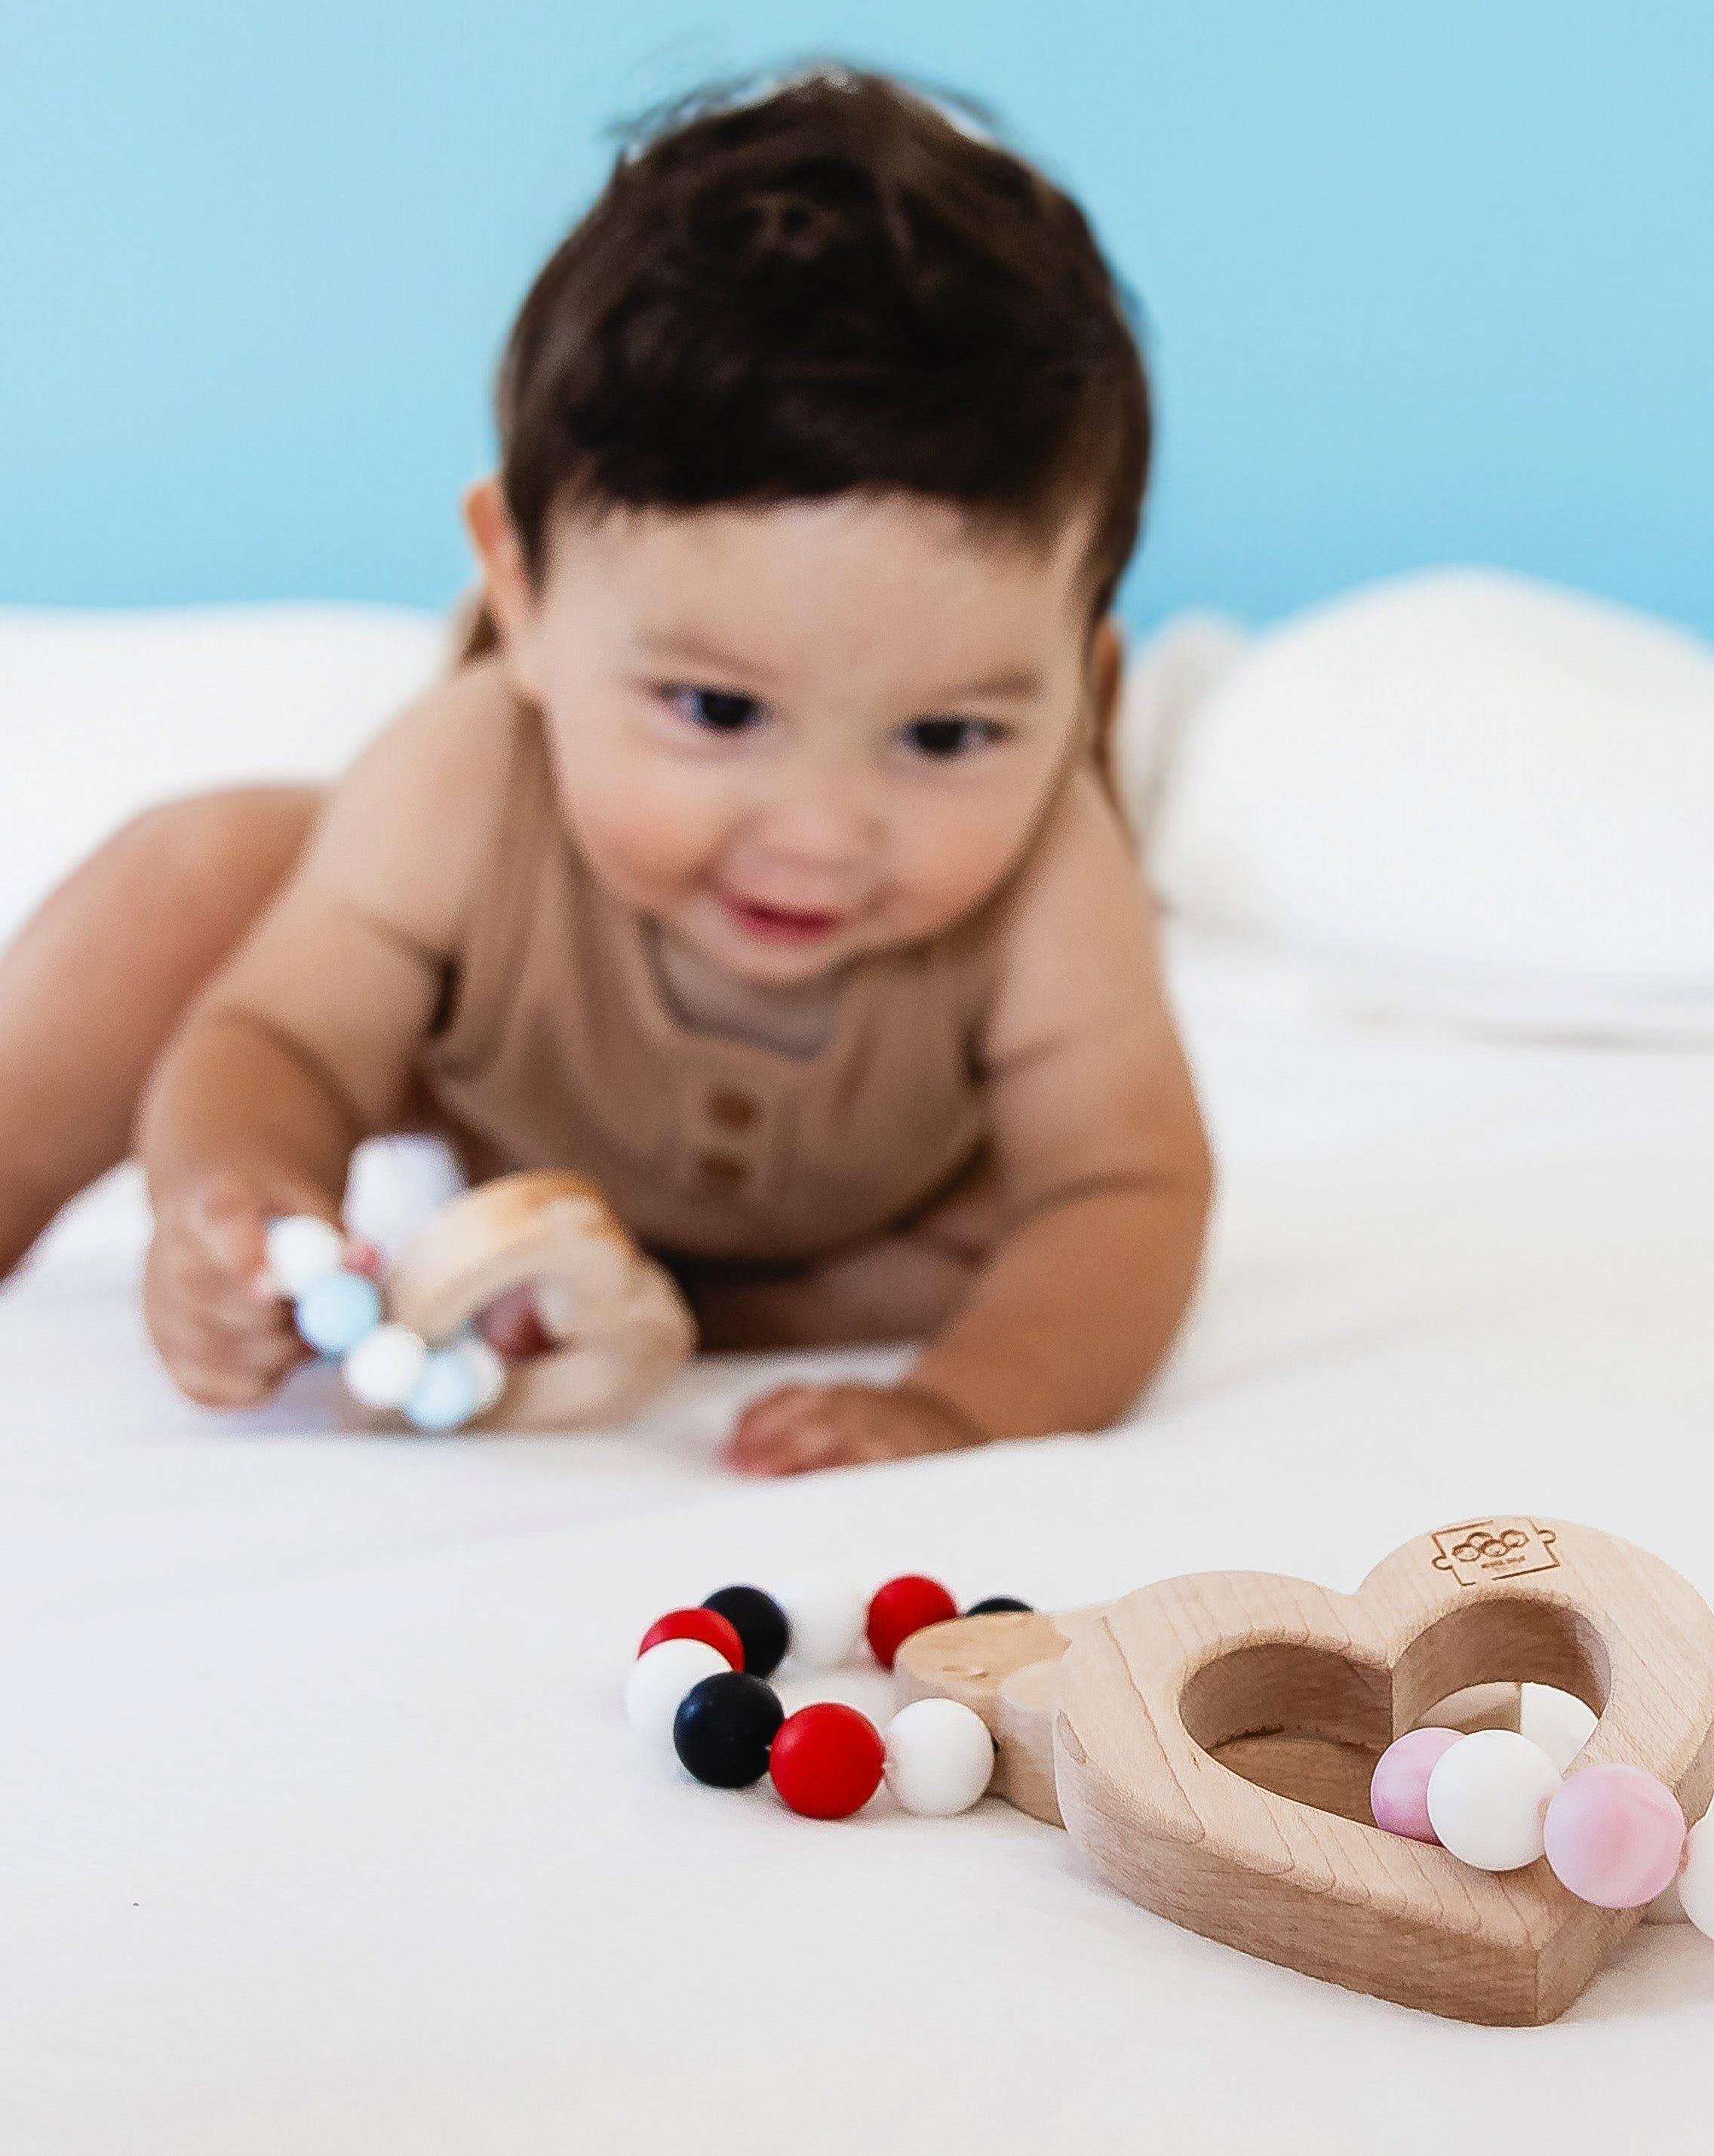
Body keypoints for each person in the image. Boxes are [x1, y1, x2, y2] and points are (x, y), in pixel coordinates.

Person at [0, 64, 1212, 1476]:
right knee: (202, 878)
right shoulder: (467, 775)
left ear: (1086, 690)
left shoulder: (1053, 878)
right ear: (517, 594)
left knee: (1036, 1253)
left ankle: (684, 1315)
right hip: (495, 1113)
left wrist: (963, 1401)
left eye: (945, 736)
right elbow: (285, 1041)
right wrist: (240, 1198)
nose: (820, 833)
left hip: (857, 1243)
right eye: (716, 708)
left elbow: (1127, 1188)